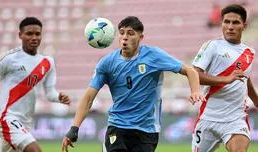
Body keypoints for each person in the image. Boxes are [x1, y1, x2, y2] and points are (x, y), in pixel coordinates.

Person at [62, 16, 205, 152]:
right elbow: (88, 98)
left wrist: (195, 91)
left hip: (147, 130)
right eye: (122, 33)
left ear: (140, 37)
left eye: (130, 33)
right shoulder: (107, 63)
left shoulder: (153, 56)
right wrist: (74, 128)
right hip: (117, 127)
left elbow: (189, 70)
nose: (125, 37)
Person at [0, 17, 70, 152]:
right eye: (29, 34)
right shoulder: (9, 58)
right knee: (35, 150)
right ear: (20, 35)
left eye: (37, 34)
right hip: (6, 118)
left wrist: (58, 97)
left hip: (25, 121)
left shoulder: (47, 62)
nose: (34, 37)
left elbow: (49, 92)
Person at [192, 4, 258, 152]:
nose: (230, 27)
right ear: (221, 24)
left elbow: (245, 79)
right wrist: (225, 79)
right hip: (208, 118)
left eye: (235, 23)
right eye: (226, 22)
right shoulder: (212, 46)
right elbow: (195, 75)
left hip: (236, 119)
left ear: (244, 26)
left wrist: (256, 100)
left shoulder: (249, 52)